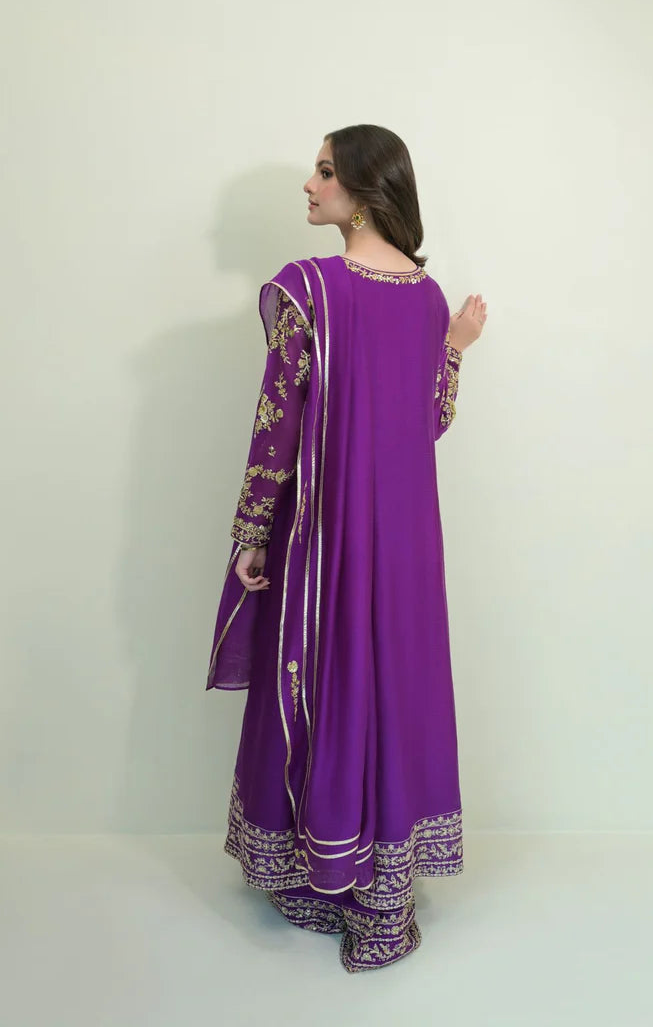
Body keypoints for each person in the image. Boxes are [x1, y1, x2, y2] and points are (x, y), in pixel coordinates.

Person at [206, 124, 488, 973]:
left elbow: (276, 426)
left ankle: (318, 877)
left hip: (327, 536)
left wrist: (252, 533)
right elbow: (429, 420)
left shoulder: (309, 290)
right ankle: (382, 895)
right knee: (390, 686)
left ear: (363, 191)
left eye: (324, 171)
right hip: (405, 545)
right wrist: (453, 350)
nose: (309, 184)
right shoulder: (428, 299)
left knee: (327, 682)